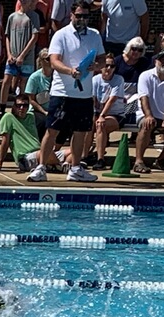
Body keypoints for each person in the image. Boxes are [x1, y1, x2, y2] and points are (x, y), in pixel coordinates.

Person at [26, 1, 104, 183]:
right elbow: (54, 61)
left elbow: (101, 58)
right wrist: (70, 71)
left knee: (80, 132)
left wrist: (96, 66)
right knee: (52, 130)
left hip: (84, 94)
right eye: (79, 16)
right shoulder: (61, 35)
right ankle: (41, 167)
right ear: (71, 15)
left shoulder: (95, 35)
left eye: (85, 16)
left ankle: (76, 168)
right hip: (62, 93)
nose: (82, 19)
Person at [90, 53, 127, 169]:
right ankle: (84, 155)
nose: (109, 69)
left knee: (101, 124)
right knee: (86, 124)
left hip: (116, 114)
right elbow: (94, 98)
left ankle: (100, 159)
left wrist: (102, 115)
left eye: (112, 66)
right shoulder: (95, 79)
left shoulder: (118, 79)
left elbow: (111, 100)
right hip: (98, 112)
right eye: (106, 65)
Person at [0, 0, 38, 107]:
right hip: (13, 56)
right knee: (6, 80)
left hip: (27, 58)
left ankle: (21, 107)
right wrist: (9, 54)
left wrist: (22, 56)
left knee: (23, 84)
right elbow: (7, 36)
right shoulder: (12, 16)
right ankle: (2, 108)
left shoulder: (34, 16)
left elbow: (34, 37)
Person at [0, 93, 42, 170]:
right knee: (47, 153)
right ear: (14, 106)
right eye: (19, 105)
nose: (22, 108)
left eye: (25, 106)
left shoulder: (31, 116)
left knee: (66, 153)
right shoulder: (8, 118)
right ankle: (56, 164)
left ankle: (58, 165)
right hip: (25, 157)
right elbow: (5, 142)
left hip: (39, 152)